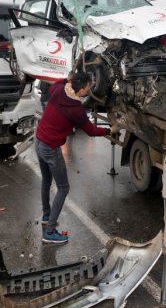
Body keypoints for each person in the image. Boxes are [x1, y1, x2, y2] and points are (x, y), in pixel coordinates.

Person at [35, 72, 119, 244]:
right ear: (80, 91)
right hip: (50, 147)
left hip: (39, 139)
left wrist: (68, 78)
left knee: (46, 180)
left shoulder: (58, 89)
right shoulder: (76, 110)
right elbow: (91, 131)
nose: (89, 90)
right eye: (88, 88)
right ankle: (49, 232)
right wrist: (110, 130)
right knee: (63, 188)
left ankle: (46, 215)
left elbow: (55, 84)